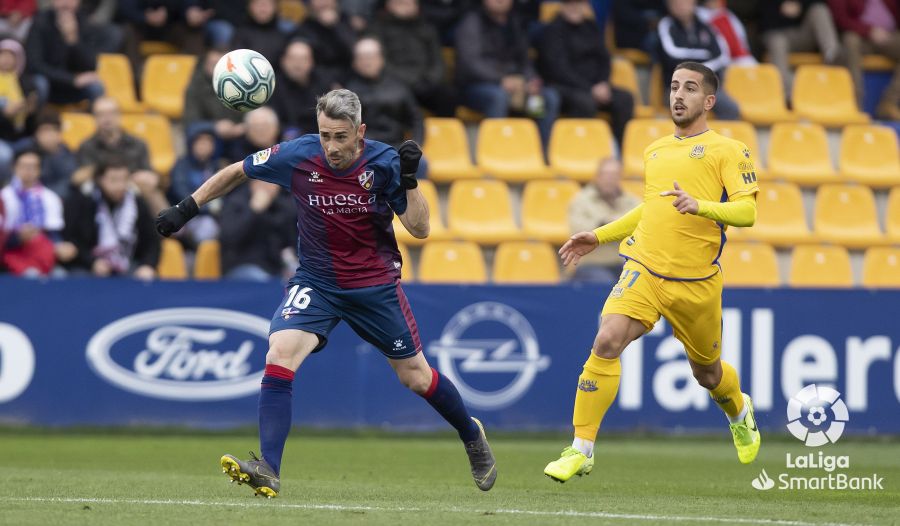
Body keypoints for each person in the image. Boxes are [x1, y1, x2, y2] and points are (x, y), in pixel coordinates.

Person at [155, 89, 497, 497]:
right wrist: (186, 208)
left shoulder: (385, 162)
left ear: (360, 131)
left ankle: (471, 435)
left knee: (415, 377)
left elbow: (420, 229)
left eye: (340, 136)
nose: (331, 147)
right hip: (316, 282)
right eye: (324, 136)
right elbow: (237, 171)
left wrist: (409, 182)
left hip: (373, 286)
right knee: (279, 353)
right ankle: (269, 467)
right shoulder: (298, 155)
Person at [543, 62, 761, 483]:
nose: (678, 95)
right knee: (606, 339)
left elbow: (747, 211)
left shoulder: (729, 150)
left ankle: (739, 411)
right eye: (675, 87)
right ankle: (581, 448)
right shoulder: (655, 150)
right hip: (644, 267)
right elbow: (652, 209)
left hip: (696, 283)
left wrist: (700, 205)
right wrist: (601, 236)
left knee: (708, 373)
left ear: (709, 101)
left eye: (690, 88)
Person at [455, 0, 561, 144]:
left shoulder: (514, 23)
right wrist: (500, 80)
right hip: (477, 87)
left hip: (516, 86)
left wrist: (531, 80)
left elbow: (525, 61)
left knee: (543, 98)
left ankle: (539, 151)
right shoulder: (471, 22)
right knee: (498, 97)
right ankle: (496, 149)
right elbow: (470, 64)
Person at [538, 0, 635, 147]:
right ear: (562, 6)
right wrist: (590, 88)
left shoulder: (590, 27)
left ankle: (620, 151)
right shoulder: (552, 30)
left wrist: (603, 83)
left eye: (579, 4)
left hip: (595, 86)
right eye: (570, 4)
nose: (575, 8)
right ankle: (582, 148)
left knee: (625, 98)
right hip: (565, 87)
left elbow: (604, 59)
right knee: (585, 102)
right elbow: (558, 70)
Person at [62, 158, 159, 279]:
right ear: (100, 179)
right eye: (113, 180)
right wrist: (92, 262)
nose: (120, 185)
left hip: (128, 263)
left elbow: (152, 241)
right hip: (86, 266)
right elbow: (72, 239)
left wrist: (147, 265)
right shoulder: (83, 200)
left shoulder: (136, 202)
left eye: (124, 180)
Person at [369, 0, 458, 117]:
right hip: (396, 83)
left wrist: (430, 80)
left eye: (410, 3)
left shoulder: (427, 27)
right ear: (389, 5)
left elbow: (437, 61)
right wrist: (411, 81)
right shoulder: (377, 28)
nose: (407, 6)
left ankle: (444, 133)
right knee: (392, 97)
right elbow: (381, 63)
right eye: (401, 3)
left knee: (448, 96)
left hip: (426, 83)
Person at [657, 0, 741, 120]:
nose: (680, 5)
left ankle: (721, 138)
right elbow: (672, 54)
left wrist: (700, 68)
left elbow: (722, 55)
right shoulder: (666, 24)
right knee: (689, 103)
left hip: (705, 85)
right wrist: (703, 55)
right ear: (669, 5)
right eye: (675, 2)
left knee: (730, 108)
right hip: (676, 87)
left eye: (684, 2)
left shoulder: (706, 26)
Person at [567, 158, 641, 282]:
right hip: (592, 264)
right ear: (598, 176)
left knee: (639, 280)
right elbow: (577, 231)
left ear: (620, 177)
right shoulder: (581, 200)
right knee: (606, 282)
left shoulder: (631, 201)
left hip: (623, 262)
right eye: (606, 174)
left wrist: (604, 226)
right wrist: (617, 227)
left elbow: (641, 229)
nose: (609, 179)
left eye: (614, 175)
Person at [828, 0, 900, 119]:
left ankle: (889, 104)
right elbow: (840, 19)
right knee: (850, 40)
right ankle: (855, 103)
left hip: (889, 37)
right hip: (860, 37)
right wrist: (869, 31)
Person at [0, 149, 66, 276]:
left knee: (60, 275)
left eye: (33, 167)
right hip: (10, 252)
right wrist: (17, 238)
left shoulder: (51, 198)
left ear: (39, 170)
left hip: (42, 251)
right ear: (14, 168)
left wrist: (59, 246)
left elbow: (54, 232)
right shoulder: (3, 197)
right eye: (23, 166)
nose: (28, 171)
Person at [219, 178, 296, 280]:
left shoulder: (282, 206)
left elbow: (292, 241)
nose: (269, 187)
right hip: (241, 265)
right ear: (253, 182)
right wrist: (254, 210)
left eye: (274, 182)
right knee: (263, 279)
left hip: (276, 267)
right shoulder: (236, 201)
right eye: (264, 181)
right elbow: (229, 238)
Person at [760, 0, 842, 96]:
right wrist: (781, 11)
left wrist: (800, 7)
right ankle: (789, 94)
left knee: (819, 10)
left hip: (802, 34)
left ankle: (832, 55)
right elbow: (763, 21)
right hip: (778, 34)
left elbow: (819, 3)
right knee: (777, 41)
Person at [269, 40, 333, 141]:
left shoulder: (323, 84)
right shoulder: (271, 86)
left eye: (303, 59)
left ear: (311, 62)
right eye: (293, 59)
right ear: (283, 61)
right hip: (281, 143)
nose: (297, 64)